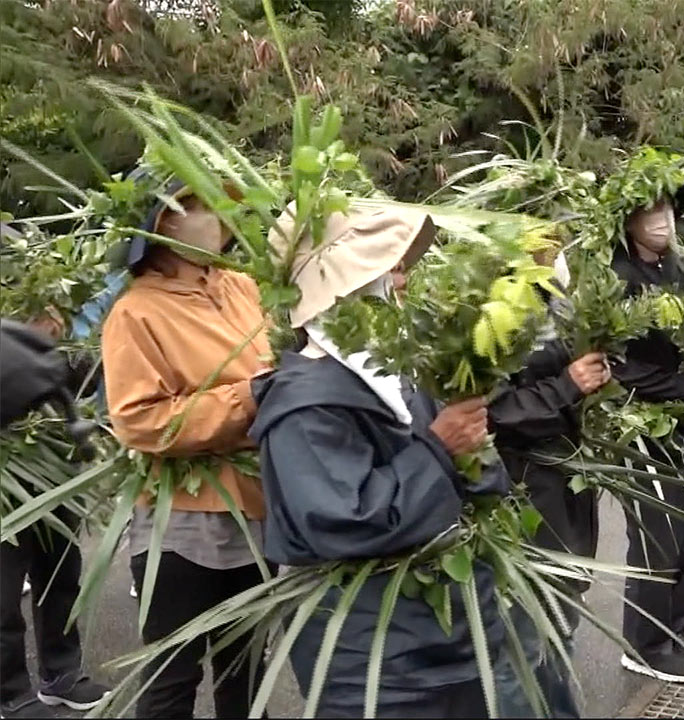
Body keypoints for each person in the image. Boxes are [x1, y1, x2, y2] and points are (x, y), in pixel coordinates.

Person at [248, 203, 506, 718]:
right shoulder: (306, 405)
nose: (402, 278)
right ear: (345, 287)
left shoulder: (395, 369)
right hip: (372, 653)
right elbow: (346, 519)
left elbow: (479, 478)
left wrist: (473, 448)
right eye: (387, 267)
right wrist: (440, 448)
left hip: (448, 633)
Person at [101, 181, 272, 719]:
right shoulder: (137, 313)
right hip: (185, 520)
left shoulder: (241, 287)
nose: (220, 216)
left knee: (245, 671)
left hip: (256, 506)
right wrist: (246, 398)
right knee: (172, 676)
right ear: (165, 226)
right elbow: (139, 420)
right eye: (200, 206)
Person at [488, 253, 610, 719]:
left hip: (566, 478)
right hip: (522, 485)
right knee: (525, 631)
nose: (555, 242)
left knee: (561, 613)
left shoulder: (555, 294)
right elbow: (491, 410)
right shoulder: (492, 302)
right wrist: (567, 387)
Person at [610, 187, 684, 683]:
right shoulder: (615, 279)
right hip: (639, 426)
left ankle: (675, 631)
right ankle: (645, 643)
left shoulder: (683, 268)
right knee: (658, 535)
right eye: (649, 210)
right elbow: (616, 368)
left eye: (667, 209)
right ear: (628, 221)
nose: (662, 220)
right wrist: (679, 386)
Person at [0, 317, 111, 719]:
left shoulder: (51, 292)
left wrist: (58, 347)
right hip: (6, 476)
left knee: (62, 573)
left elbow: (87, 377)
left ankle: (61, 674)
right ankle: (9, 692)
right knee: (4, 591)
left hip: (52, 462)